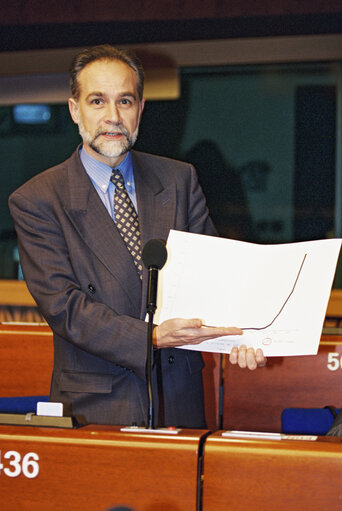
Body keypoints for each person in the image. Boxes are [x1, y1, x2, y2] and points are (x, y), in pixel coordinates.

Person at [8, 45, 266, 428]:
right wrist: (154, 336)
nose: (113, 117)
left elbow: (214, 280)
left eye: (124, 101)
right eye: (97, 101)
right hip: (95, 405)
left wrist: (242, 337)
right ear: (75, 110)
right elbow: (65, 309)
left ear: (140, 109)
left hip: (179, 397)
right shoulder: (37, 199)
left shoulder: (179, 180)